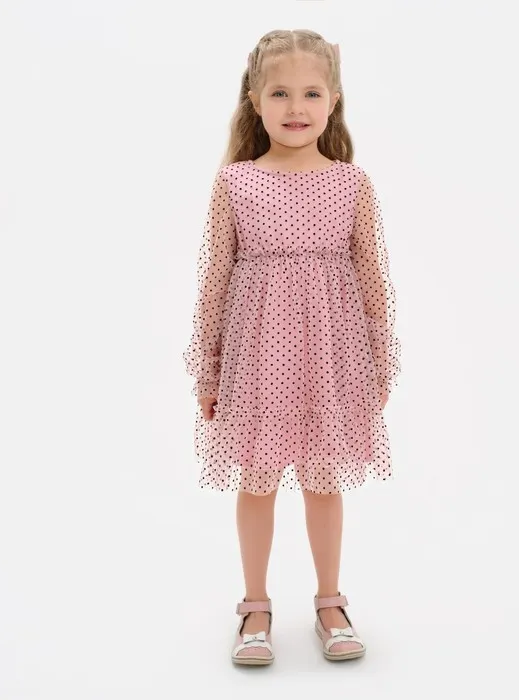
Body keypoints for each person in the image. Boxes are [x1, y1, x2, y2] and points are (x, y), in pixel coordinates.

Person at [183, 29, 401, 666]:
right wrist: (208, 369)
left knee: (324, 478)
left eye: (311, 93)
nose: (296, 107)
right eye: (280, 93)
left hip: (331, 359)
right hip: (256, 359)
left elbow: (373, 278)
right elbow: (215, 279)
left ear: (334, 100)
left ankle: (330, 602)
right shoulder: (236, 182)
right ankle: (255, 605)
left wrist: (379, 362)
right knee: (256, 478)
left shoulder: (351, 183)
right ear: (255, 100)